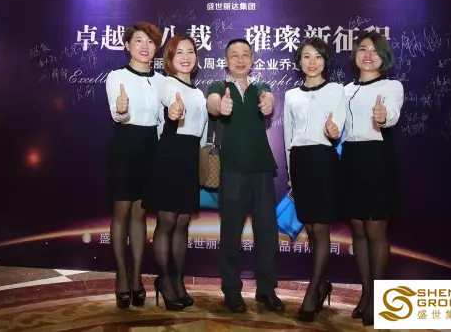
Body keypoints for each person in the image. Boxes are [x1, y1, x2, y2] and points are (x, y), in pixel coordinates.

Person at [206, 38, 284, 314]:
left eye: (245, 55)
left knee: (267, 233)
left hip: (261, 169)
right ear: (226, 61)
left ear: (252, 60)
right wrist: (220, 107)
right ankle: (231, 291)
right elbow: (212, 103)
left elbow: (268, 98)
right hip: (231, 169)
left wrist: (268, 103)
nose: (240, 60)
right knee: (231, 234)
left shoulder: (260, 86)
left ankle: (266, 290)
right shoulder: (219, 86)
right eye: (234, 55)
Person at [340, 31, 404, 327]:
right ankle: (366, 293)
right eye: (363, 49)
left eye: (375, 50)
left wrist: (382, 115)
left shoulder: (391, 86)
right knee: (358, 230)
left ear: (384, 56)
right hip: (351, 159)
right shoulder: (344, 90)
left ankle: (378, 298)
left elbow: (391, 114)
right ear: (355, 54)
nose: (368, 55)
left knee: (375, 229)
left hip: (377, 158)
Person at [142, 34, 208, 311]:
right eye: (179, 52)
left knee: (183, 223)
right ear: (169, 57)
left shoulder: (200, 93)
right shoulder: (167, 84)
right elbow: (172, 103)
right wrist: (174, 109)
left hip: (190, 156)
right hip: (169, 155)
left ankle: (178, 281)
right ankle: (164, 280)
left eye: (190, 51)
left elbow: (202, 132)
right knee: (167, 221)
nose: (185, 57)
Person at [283, 37, 345, 322]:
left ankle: (313, 290)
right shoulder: (291, 95)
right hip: (300, 162)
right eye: (306, 56)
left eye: (318, 56)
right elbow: (288, 137)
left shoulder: (336, 90)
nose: (312, 62)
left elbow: (338, 126)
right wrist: (291, 174)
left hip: (323, 160)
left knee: (320, 228)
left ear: (325, 61)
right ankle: (322, 285)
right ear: (299, 61)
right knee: (309, 227)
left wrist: (333, 130)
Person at [105, 21, 164, 309]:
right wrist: (122, 110)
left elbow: (164, 121)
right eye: (138, 40)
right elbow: (117, 115)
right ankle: (120, 274)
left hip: (151, 147)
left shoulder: (162, 81)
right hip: (126, 145)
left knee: (140, 215)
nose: (144, 46)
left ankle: (137, 275)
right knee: (122, 213)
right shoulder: (116, 77)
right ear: (127, 45)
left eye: (150, 42)